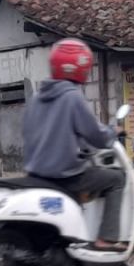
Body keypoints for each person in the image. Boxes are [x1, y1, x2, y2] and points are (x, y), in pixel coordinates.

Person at [22, 38, 126, 252]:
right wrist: (112, 133)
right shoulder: (72, 96)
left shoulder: (36, 98)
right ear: (80, 67)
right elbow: (94, 134)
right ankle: (106, 239)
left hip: (35, 175)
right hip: (66, 177)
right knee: (116, 178)